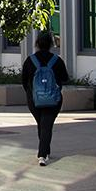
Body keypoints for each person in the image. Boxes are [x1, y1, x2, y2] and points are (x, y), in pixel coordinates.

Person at [21, 31, 69, 166]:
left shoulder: (30, 60)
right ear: (51, 44)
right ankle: (43, 154)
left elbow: (24, 81)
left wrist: (32, 94)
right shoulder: (57, 60)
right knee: (46, 126)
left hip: (34, 99)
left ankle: (45, 152)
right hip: (53, 100)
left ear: (37, 43)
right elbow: (65, 78)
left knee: (42, 125)